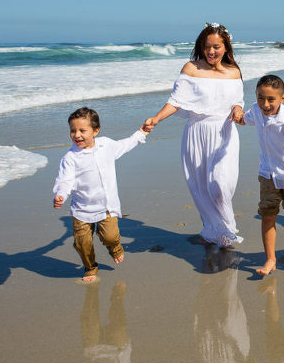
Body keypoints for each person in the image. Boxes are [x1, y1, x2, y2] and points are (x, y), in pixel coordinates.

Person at [144, 23, 244, 248]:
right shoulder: (191, 69)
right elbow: (176, 101)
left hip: (224, 133)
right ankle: (213, 230)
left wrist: (237, 110)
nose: (211, 52)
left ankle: (225, 229)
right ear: (201, 46)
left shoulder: (234, 72)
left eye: (216, 47)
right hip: (196, 132)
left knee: (220, 184)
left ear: (226, 47)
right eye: (207, 47)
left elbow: (237, 101)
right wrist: (157, 118)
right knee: (200, 187)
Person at [53, 107, 147, 282]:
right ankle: (90, 267)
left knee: (110, 236)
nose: (77, 135)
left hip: (106, 206)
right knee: (82, 244)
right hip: (81, 209)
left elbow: (124, 145)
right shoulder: (70, 158)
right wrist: (61, 194)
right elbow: (65, 180)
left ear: (96, 131)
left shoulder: (106, 145)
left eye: (82, 130)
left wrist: (140, 133)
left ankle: (115, 248)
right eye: (73, 131)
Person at [237, 74, 284, 276]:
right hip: (267, 174)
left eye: (271, 100)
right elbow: (244, 119)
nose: (265, 104)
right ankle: (270, 259)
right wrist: (235, 110)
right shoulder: (256, 111)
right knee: (268, 215)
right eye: (260, 98)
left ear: (282, 98)